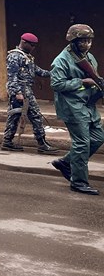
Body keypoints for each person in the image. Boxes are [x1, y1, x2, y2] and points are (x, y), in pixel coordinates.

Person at [49, 24, 101, 195]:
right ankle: (78, 181)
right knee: (82, 144)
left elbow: (94, 77)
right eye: (83, 41)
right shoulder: (61, 60)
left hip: (88, 105)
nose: (87, 44)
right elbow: (56, 84)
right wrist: (81, 83)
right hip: (72, 107)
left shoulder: (89, 58)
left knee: (98, 137)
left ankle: (66, 162)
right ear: (73, 42)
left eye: (89, 41)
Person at [2, 33, 58, 154]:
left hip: (26, 89)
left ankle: (7, 141)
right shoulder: (14, 56)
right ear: (24, 42)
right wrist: (17, 92)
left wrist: (54, 73)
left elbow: (38, 71)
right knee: (35, 115)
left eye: (34, 45)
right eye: (31, 45)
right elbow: (12, 76)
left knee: (15, 116)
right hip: (20, 89)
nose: (33, 47)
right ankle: (41, 143)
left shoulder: (26, 56)